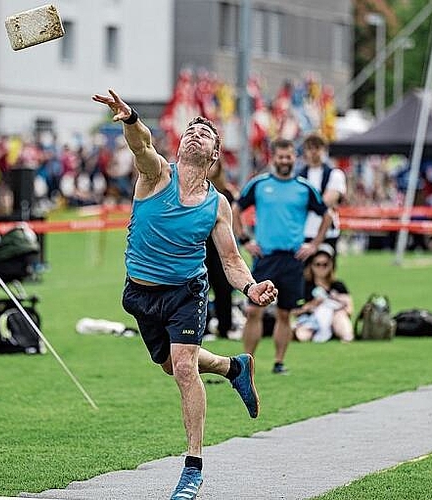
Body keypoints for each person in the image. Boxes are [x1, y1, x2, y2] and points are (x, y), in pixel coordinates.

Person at [92, 89, 278, 500]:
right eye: (189, 131)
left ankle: (192, 467)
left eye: (204, 134)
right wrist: (130, 118)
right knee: (168, 365)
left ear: (214, 156)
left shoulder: (218, 205)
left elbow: (230, 260)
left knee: (182, 366)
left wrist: (250, 286)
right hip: (140, 293)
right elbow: (140, 144)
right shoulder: (156, 174)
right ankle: (234, 368)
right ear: (178, 145)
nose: (194, 135)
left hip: (187, 292)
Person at [233, 138, 333, 375]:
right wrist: (245, 240)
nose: (285, 161)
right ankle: (247, 363)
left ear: (294, 158)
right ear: (273, 158)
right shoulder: (259, 184)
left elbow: (327, 214)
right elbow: (236, 209)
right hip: (265, 257)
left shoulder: (304, 187)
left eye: (289, 157)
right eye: (281, 157)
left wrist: (315, 244)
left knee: (285, 313)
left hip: (293, 259)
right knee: (254, 310)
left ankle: (279, 362)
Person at [293, 244, 354, 343]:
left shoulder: (338, 285)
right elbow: (294, 311)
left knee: (341, 319)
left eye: (325, 264)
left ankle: (342, 336)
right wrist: (312, 305)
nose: (321, 268)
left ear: (331, 265)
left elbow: (350, 309)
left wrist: (336, 300)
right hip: (310, 319)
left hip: (334, 318)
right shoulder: (304, 286)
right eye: (317, 264)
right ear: (311, 266)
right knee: (303, 335)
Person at [205, 159, 237, 339]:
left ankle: (225, 327)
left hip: (219, 247)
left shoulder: (226, 194)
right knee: (200, 288)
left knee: (223, 289)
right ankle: (204, 327)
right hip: (201, 246)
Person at [298, 133, 346, 255]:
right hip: (303, 232)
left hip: (328, 233)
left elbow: (327, 201)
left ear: (324, 150)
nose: (314, 152)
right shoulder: (298, 176)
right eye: (309, 148)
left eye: (317, 148)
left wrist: (305, 202)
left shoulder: (335, 174)